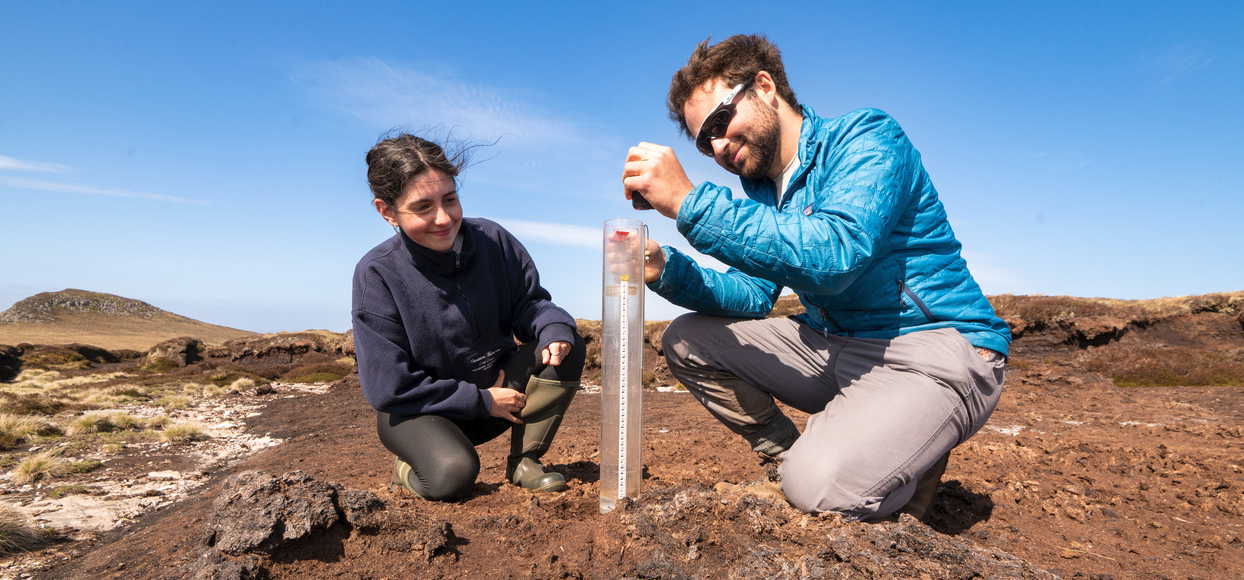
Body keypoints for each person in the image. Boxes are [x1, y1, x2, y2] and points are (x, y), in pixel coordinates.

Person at [621, 34, 1011, 522]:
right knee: (687, 341)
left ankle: (890, 463)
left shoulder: (866, 137)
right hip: (836, 344)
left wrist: (687, 202)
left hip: (933, 347)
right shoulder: (763, 189)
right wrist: (665, 269)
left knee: (820, 487)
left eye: (720, 121)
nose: (718, 146)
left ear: (764, 86)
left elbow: (835, 256)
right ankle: (792, 460)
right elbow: (752, 295)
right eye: (705, 141)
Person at [353, 132, 585, 500]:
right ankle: (410, 465)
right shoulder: (376, 274)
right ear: (387, 212)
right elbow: (389, 388)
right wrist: (481, 399)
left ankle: (525, 461)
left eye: (450, 199)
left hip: (501, 395)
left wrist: (553, 324)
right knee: (453, 476)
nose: (443, 218)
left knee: (562, 342)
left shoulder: (493, 239)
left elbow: (530, 305)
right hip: (423, 413)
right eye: (422, 207)